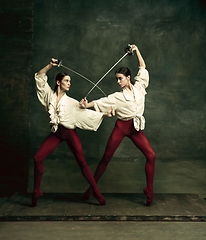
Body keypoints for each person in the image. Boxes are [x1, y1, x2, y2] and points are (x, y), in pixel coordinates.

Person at [80, 45, 155, 206]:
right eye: (117, 79)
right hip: (122, 127)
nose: (118, 81)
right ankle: (92, 188)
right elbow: (100, 102)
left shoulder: (140, 87)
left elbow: (142, 67)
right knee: (106, 157)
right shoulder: (116, 97)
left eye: (120, 78)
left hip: (135, 128)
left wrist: (136, 50)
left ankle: (149, 189)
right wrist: (86, 105)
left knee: (151, 155)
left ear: (129, 78)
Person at [32, 58, 113, 207]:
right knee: (37, 158)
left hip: (69, 133)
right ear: (58, 83)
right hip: (56, 134)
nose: (69, 83)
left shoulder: (72, 102)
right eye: (66, 81)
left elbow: (87, 113)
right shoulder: (49, 95)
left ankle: (96, 191)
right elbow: (39, 76)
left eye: (70, 81)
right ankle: (36, 190)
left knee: (82, 162)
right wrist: (51, 65)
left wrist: (104, 114)